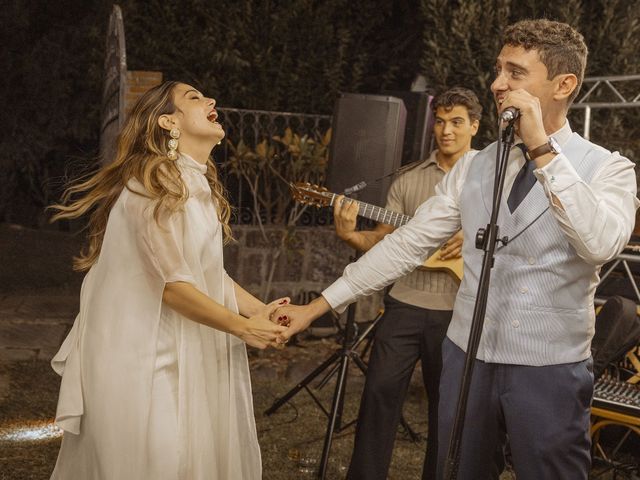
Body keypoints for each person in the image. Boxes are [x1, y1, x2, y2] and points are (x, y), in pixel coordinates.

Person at [275, 19, 639, 480]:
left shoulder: (609, 168)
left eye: (514, 72)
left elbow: (600, 244)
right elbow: (408, 244)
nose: (496, 84)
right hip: (467, 355)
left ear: (563, 84)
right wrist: (318, 306)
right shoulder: (476, 165)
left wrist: (543, 151)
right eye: (497, 70)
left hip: (548, 368)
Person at [48, 81, 289, 479]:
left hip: (181, 345)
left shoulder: (198, 183)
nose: (212, 100)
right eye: (194, 98)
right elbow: (172, 286)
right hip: (139, 356)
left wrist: (261, 310)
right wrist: (243, 327)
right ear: (167, 121)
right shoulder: (152, 181)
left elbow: (209, 275)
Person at [332, 87, 481, 480]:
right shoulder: (407, 178)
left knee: (445, 408)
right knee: (378, 393)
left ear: (475, 127)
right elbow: (382, 239)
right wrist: (350, 236)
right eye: (441, 121)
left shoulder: (487, 179)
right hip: (403, 304)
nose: (446, 130)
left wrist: (471, 233)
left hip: (458, 310)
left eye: (457, 122)